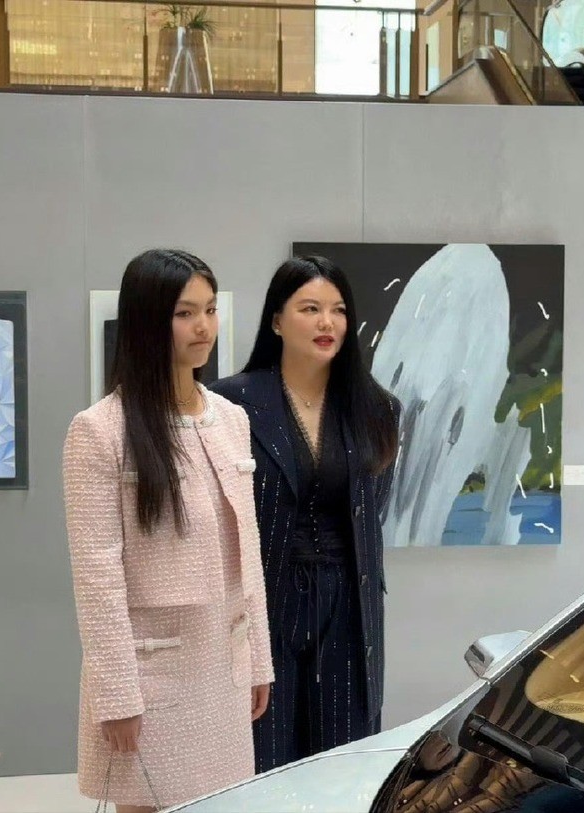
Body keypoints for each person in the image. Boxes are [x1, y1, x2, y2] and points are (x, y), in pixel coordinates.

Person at [62, 249, 273, 813]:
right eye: (185, 313)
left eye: (209, 309)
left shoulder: (231, 420)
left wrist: (259, 659)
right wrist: (115, 694)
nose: (203, 326)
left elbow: (248, 551)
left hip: (222, 667)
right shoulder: (100, 431)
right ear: (147, 321)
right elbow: (97, 576)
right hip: (151, 674)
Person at [211, 255, 399, 772]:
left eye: (338, 310)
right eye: (310, 308)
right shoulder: (230, 403)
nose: (326, 322)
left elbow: (372, 514)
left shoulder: (377, 408)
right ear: (277, 320)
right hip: (264, 599)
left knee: (343, 760)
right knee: (263, 756)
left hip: (348, 601)